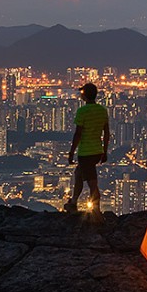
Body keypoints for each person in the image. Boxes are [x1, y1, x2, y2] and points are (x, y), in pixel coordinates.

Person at [65, 82, 110, 212]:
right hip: (97, 151)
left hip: (86, 153)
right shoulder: (102, 110)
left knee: (92, 183)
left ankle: (96, 210)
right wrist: (105, 151)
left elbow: (78, 133)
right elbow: (106, 133)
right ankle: (73, 202)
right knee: (78, 173)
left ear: (85, 96)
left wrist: (71, 152)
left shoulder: (82, 111)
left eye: (82, 93)